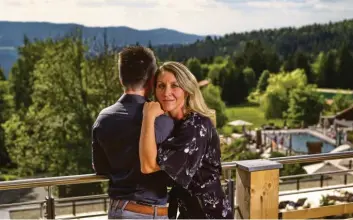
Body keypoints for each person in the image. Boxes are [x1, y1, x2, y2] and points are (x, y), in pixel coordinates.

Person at [139, 61, 234, 219]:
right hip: (188, 212)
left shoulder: (195, 127)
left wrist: (148, 117)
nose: (166, 92)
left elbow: (148, 166)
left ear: (187, 91)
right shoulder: (176, 124)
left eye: (175, 86)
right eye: (161, 86)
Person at [92, 46, 174, 219]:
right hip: (146, 212)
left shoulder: (103, 118)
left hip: (117, 209)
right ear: (152, 80)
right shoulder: (162, 120)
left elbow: (101, 168)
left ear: (121, 79)